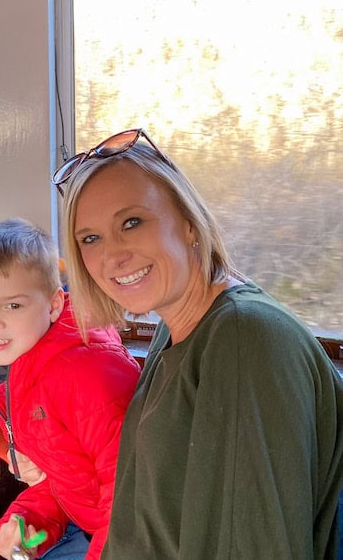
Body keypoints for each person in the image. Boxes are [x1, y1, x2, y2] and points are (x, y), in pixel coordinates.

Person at [53, 127, 343, 559]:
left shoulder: (245, 338)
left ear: (189, 225)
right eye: (90, 238)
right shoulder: (174, 328)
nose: (112, 256)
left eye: (131, 222)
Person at [0, 219, 140, 560]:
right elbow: (62, 478)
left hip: (125, 536)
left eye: (12, 305)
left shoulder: (86, 375)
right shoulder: (17, 373)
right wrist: (28, 520)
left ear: (54, 304)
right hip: (84, 522)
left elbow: (129, 495)